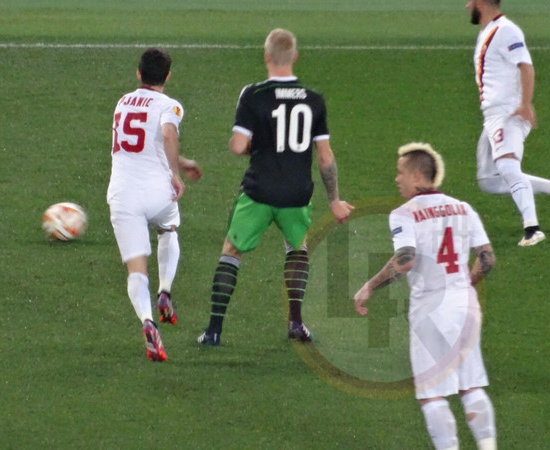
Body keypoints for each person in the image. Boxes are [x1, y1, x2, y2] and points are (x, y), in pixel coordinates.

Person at [197, 28, 353, 346]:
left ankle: (213, 331)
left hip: (259, 191)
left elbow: (239, 145)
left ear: (267, 57)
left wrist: (254, 144)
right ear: (294, 57)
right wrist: (334, 200)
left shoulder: (253, 95)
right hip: (296, 194)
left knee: (231, 252)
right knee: (297, 250)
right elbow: (325, 157)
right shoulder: (314, 100)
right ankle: (296, 324)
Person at [354, 143, 497, 450]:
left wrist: (370, 285)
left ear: (418, 175)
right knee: (471, 386)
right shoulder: (464, 207)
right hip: (465, 303)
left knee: (432, 394)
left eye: (401, 172)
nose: (396, 179)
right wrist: (466, 283)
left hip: (431, 306)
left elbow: (405, 261)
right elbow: (487, 257)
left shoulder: (404, 214)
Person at [107, 48, 202, 361]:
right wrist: (176, 173)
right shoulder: (169, 105)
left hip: (122, 195)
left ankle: (148, 323)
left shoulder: (122, 101)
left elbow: (147, 144)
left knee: (136, 269)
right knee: (168, 227)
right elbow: (167, 134)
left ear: (138, 74)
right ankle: (165, 290)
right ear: (168, 76)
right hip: (156, 192)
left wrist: (181, 162)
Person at [468, 0, 548, 246]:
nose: (467, 6)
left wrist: (525, 103)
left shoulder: (506, 30)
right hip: (493, 116)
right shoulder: (489, 32)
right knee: (489, 180)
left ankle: (532, 229)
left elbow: (526, 65)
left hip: (508, 112)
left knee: (508, 167)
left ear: (481, 2)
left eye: (470, 1)